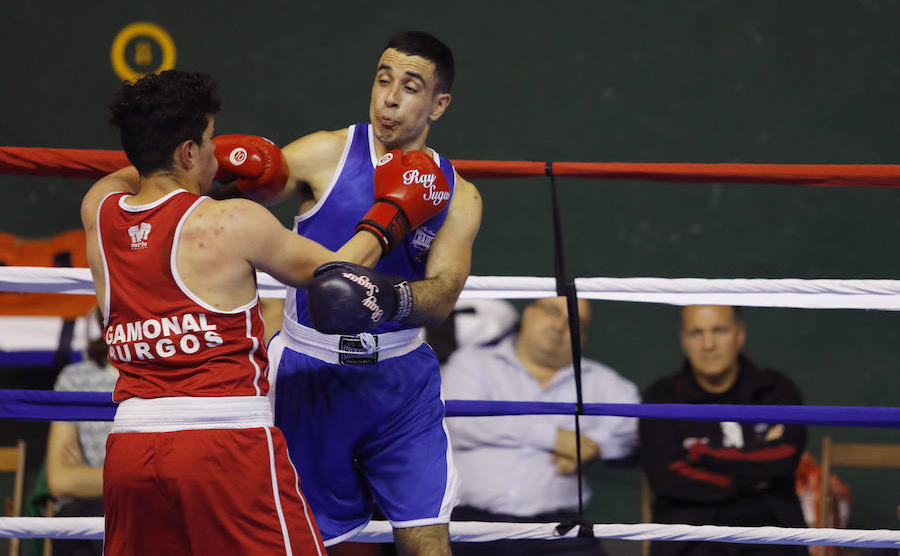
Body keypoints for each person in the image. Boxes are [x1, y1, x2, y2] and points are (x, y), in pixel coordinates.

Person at [81, 69, 445, 555]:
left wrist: (175, 149)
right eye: (211, 142)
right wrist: (389, 218)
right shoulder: (232, 221)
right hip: (224, 442)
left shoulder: (98, 210)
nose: (219, 153)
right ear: (188, 152)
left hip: (130, 448)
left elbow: (135, 172)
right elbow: (341, 282)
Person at [266, 31, 482, 556]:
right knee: (313, 545)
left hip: (400, 381)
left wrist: (387, 299)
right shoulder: (325, 154)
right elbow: (231, 202)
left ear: (439, 104)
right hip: (310, 373)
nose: (389, 98)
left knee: (428, 540)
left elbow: (443, 294)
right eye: (383, 80)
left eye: (410, 87)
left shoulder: (459, 194)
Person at [442, 296, 641, 556]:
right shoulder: (472, 362)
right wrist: (555, 438)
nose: (560, 325)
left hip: (559, 531)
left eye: (575, 321)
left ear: (583, 337)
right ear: (527, 315)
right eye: (552, 311)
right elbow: (460, 422)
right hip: (467, 525)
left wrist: (593, 447)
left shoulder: (602, 382)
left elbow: (634, 430)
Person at [640, 305, 808, 556]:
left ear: (740, 334)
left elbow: (784, 457)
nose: (708, 344)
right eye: (697, 333)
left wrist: (702, 455)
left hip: (772, 533)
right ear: (683, 340)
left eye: (719, 331)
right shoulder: (661, 398)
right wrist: (752, 477)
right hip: (691, 538)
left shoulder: (777, 390)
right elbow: (668, 477)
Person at [45, 307, 112, 556]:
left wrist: (88, 476)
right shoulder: (75, 379)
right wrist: (141, 477)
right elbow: (61, 481)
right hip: (89, 512)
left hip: (148, 510)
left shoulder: (165, 377)